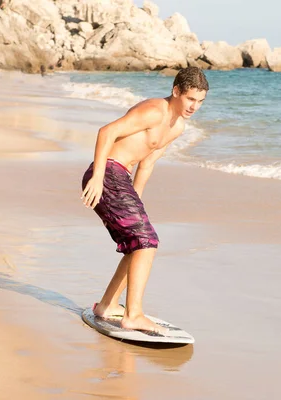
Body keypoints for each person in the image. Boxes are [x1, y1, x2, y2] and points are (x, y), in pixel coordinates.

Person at [81, 67, 209, 334]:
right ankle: (133, 315)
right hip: (108, 172)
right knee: (146, 242)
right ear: (176, 92)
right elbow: (107, 132)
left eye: (200, 101)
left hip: (121, 179)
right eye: (190, 99)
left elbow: (148, 162)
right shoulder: (153, 111)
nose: (194, 106)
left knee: (139, 242)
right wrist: (97, 177)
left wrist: (136, 197)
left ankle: (107, 305)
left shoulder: (177, 127)